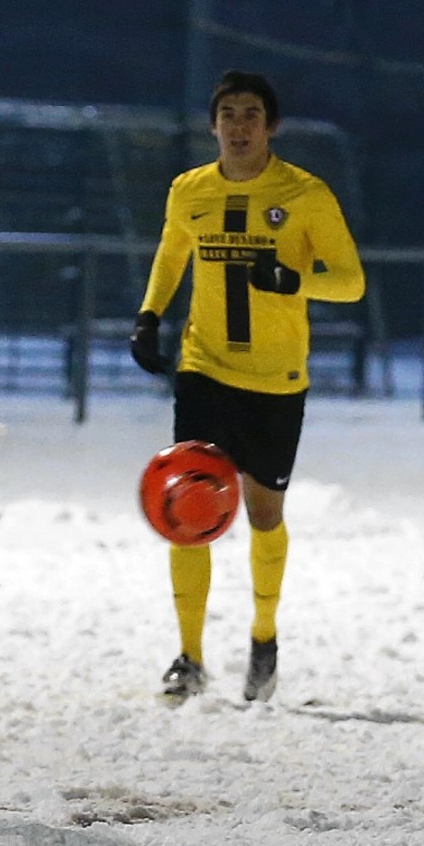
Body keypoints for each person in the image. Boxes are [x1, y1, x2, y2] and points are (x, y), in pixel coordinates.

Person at [130, 69, 364, 703]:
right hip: (204, 369)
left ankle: (264, 636)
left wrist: (294, 279)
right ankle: (189, 656)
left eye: (251, 116)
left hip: (275, 381)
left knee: (264, 515)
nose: (239, 127)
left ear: (271, 127)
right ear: (214, 125)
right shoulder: (191, 190)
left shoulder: (304, 194)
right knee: (187, 512)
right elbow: (172, 251)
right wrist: (150, 315)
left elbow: (350, 281)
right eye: (228, 115)